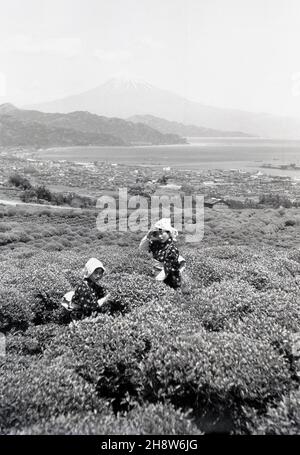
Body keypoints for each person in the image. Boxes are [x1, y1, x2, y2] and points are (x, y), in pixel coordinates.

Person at [139, 218, 186, 289]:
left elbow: (167, 269)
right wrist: (147, 237)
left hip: (169, 281)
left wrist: (154, 284)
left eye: (161, 233)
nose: (160, 237)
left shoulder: (172, 249)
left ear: (169, 233)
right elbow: (142, 248)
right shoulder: (156, 244)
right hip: (155, 274)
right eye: (157, 234)